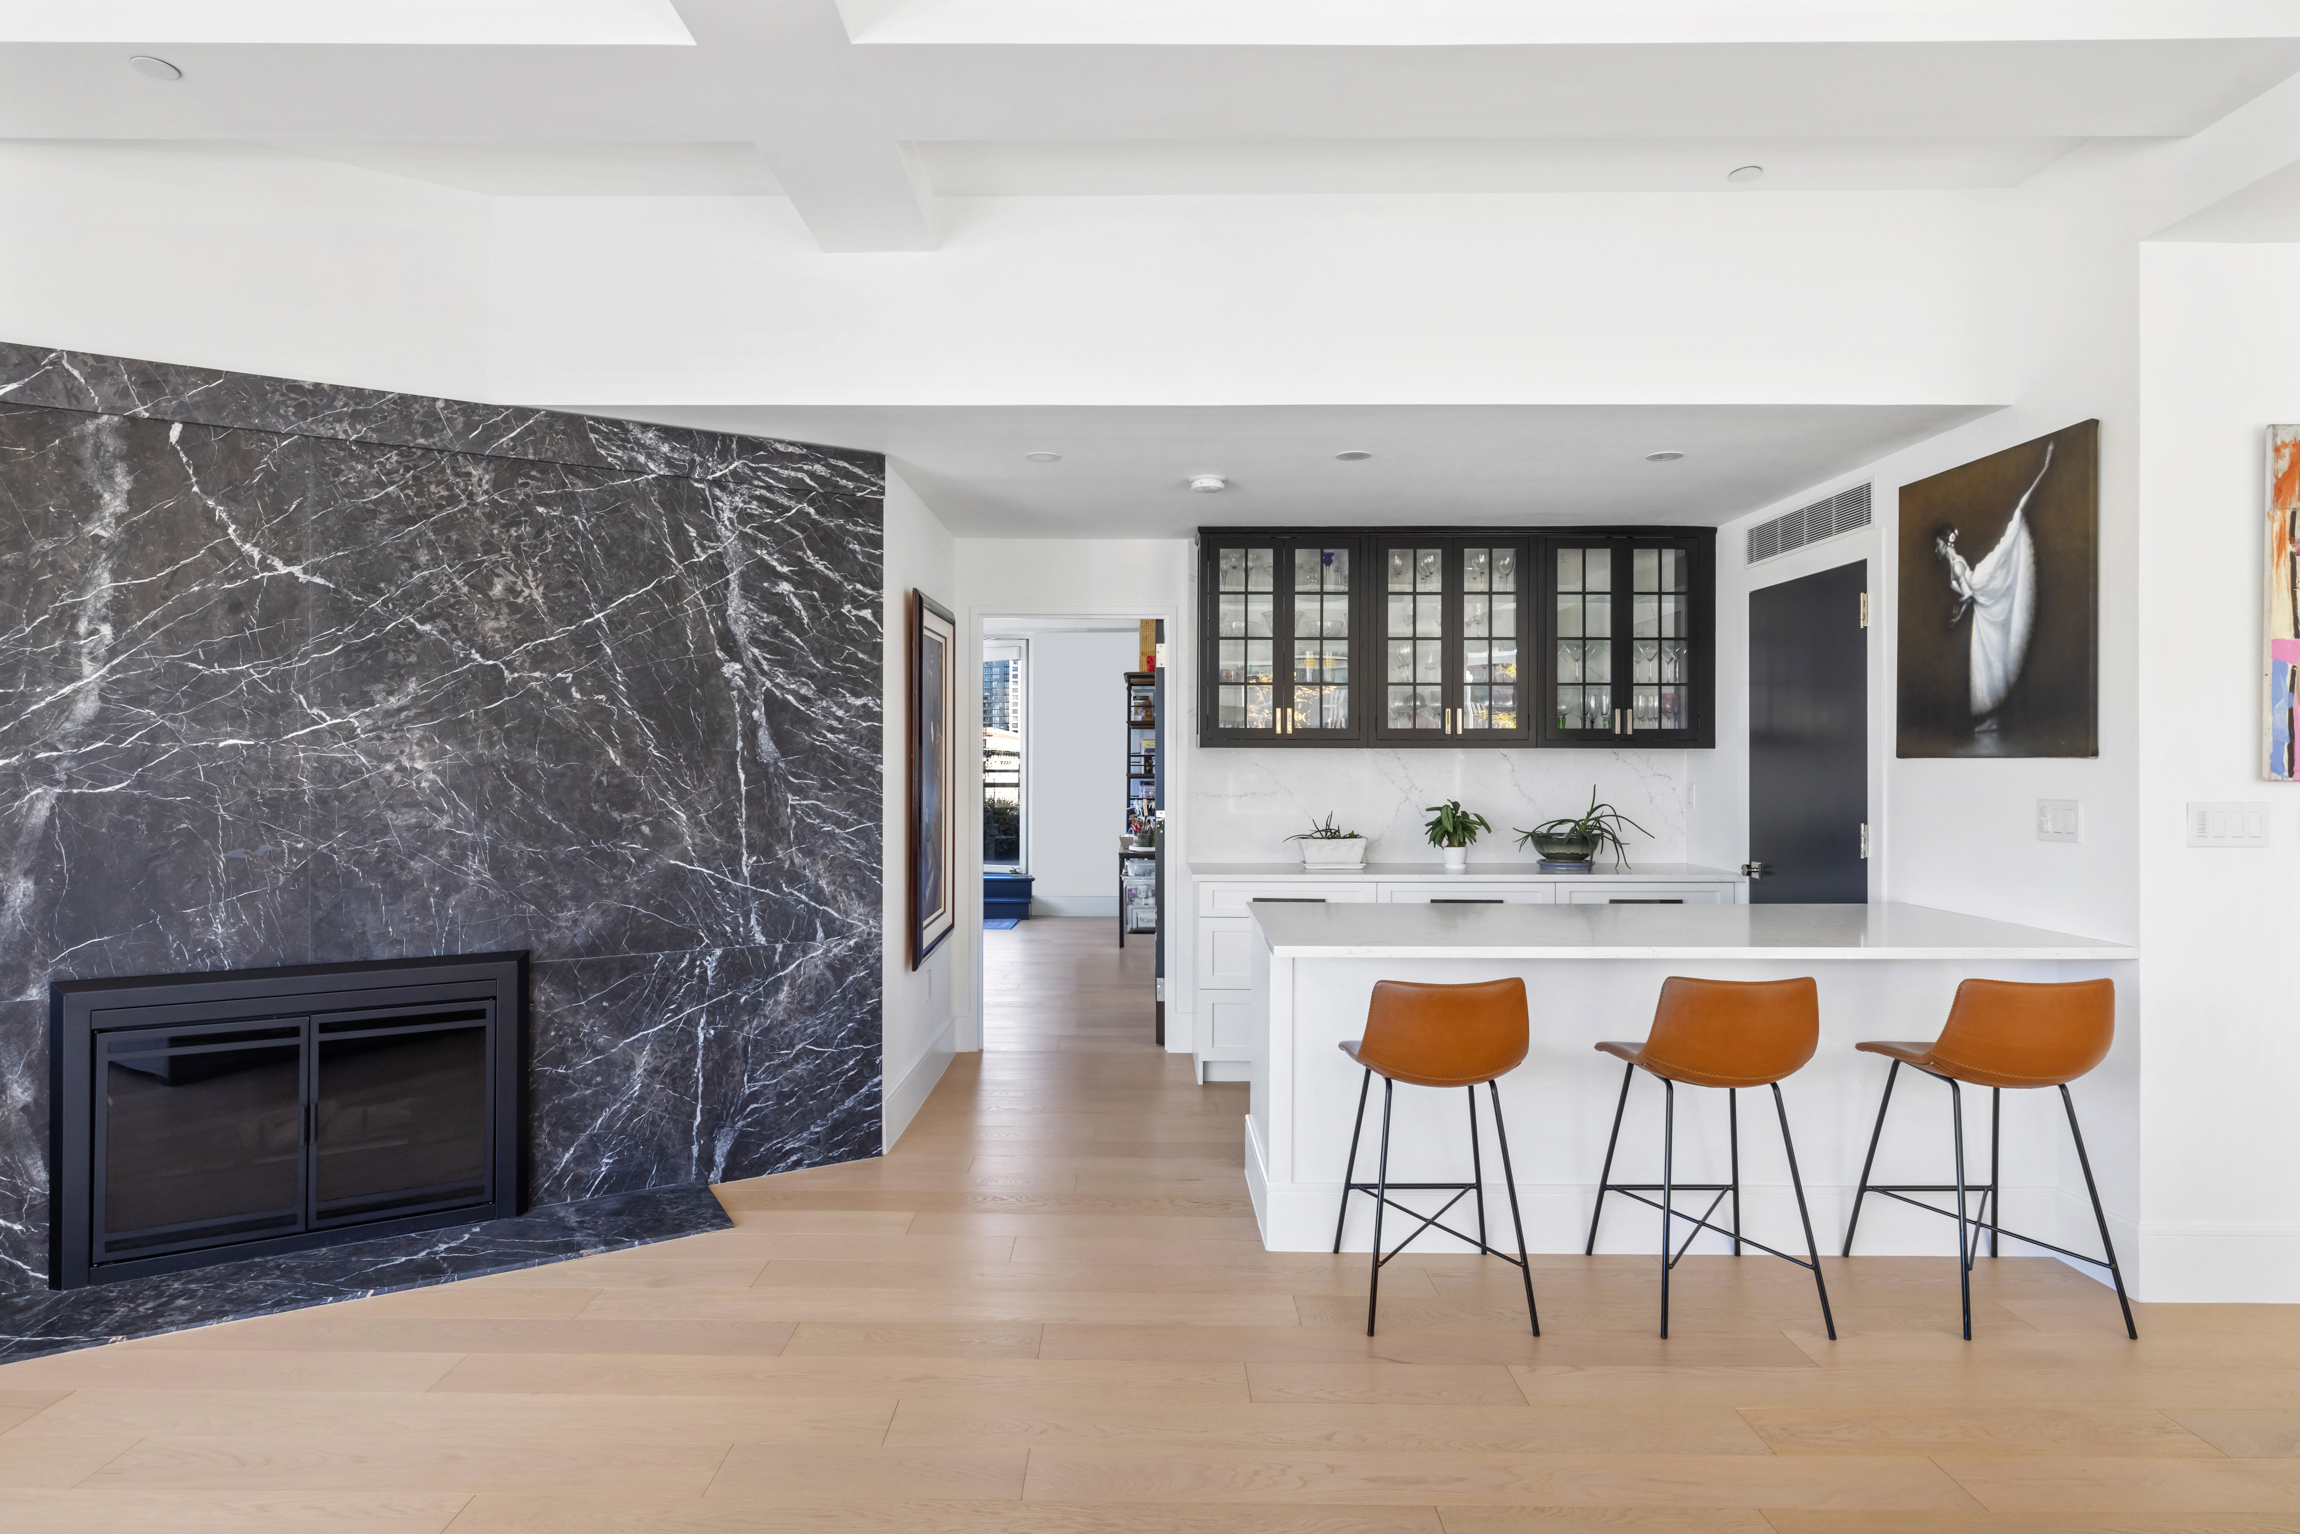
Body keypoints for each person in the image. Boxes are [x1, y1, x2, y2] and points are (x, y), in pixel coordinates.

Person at [1938, 445, 2049, 723]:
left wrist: (1957, 614)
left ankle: (1991, 714)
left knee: (2010, 535)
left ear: (1943, 543)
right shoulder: (1956, 562)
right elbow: (1967, 594)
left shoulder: (1956, 564)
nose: (1936, 550)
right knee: (1987, 664)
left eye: (1938, 545)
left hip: (1982, 595)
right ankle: (1992, 714)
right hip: (1981, 601)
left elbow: (1967, 593)